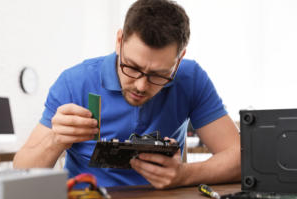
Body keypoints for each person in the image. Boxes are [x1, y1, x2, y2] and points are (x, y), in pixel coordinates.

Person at [13, 0, 240, 189]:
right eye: (131, 67)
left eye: (159, 75)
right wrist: (56, 139)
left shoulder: (191, 79)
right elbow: (19, 174)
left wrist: (184, 175)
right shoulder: (75, 82)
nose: (141, 86)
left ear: (179, 60)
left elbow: (241, 159)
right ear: (119, 41)